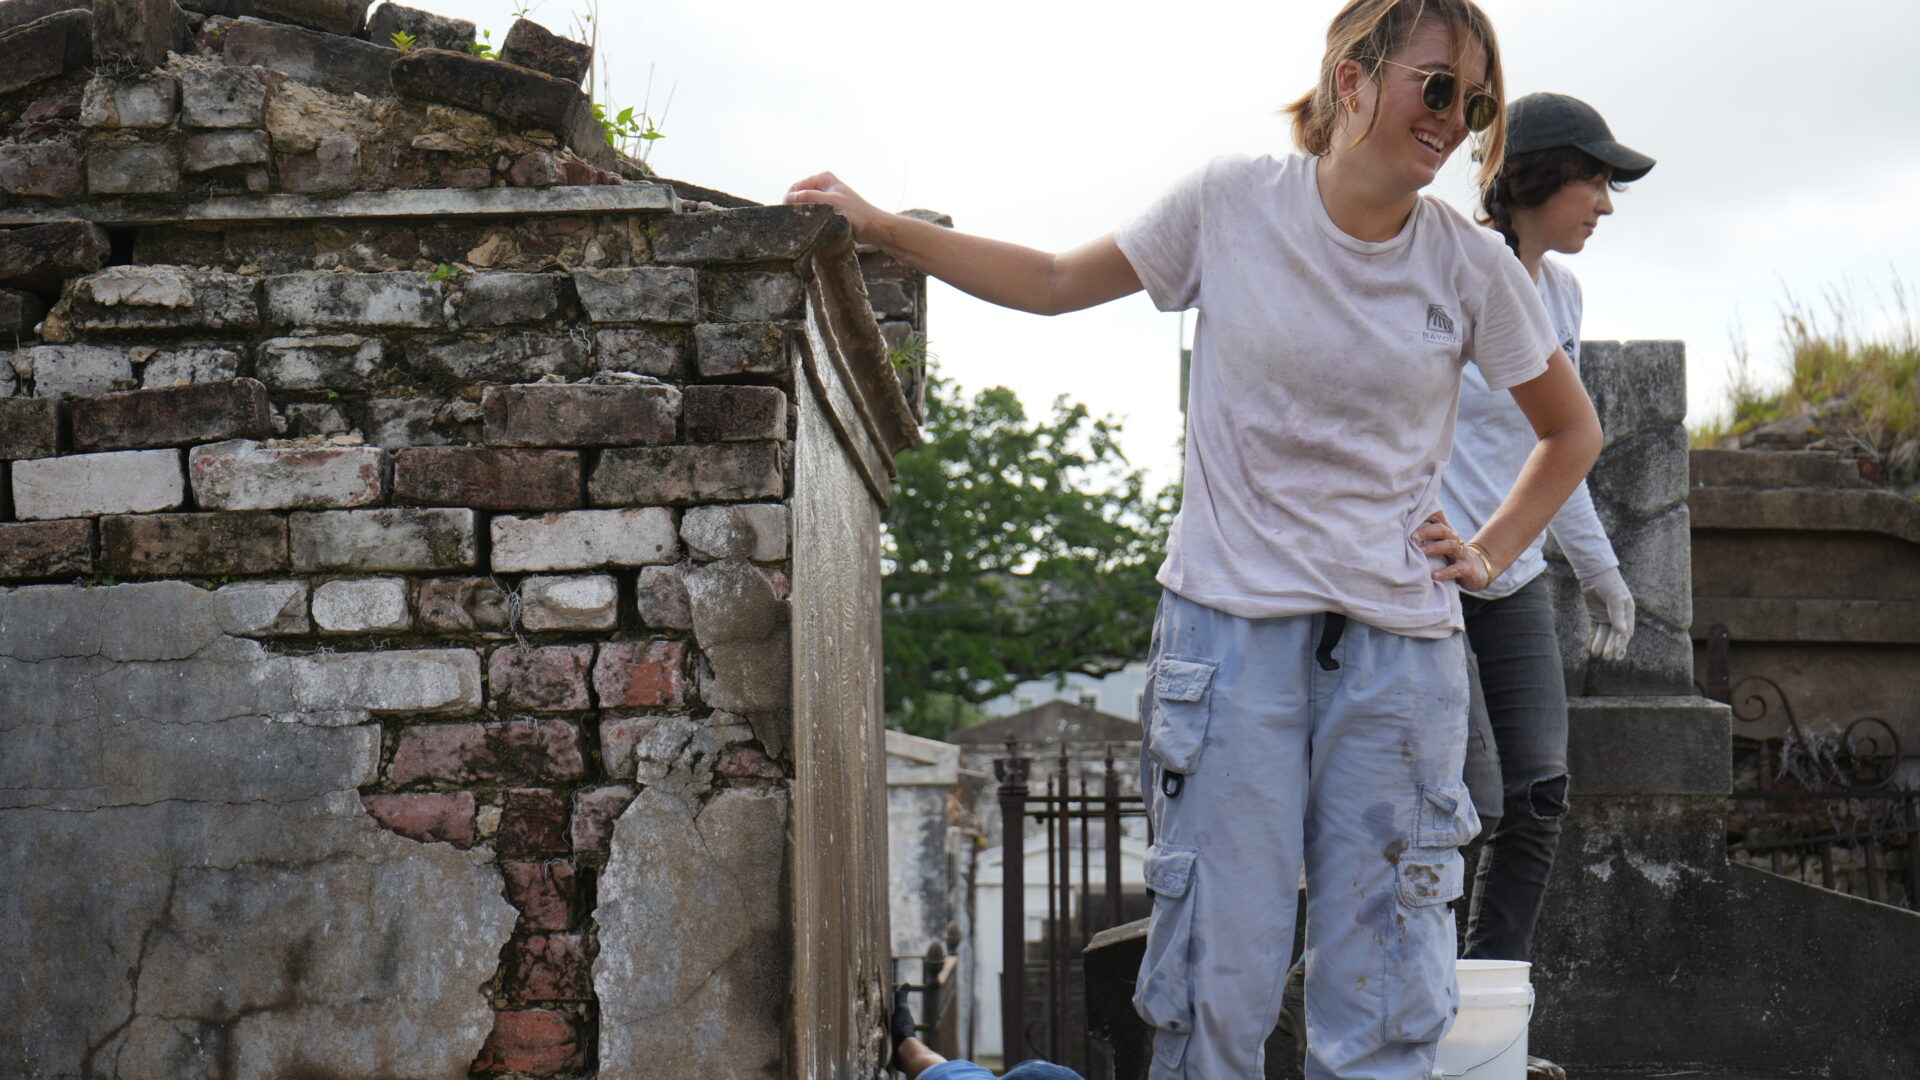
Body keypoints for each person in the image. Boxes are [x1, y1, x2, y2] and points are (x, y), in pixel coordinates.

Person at [789, 1, 1603, 1075]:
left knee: (1390, 986)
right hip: (1230, 636)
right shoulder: (1233, 204)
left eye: (1478, 103)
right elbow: (1052, 282)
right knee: (1220, 977)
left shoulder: (1469, 264)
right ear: (1351, 79)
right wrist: (886, 224)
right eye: (1438, 87)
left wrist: (1492, 552)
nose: (1455, 122)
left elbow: (1570, 430)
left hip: (1399, 657)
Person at [1445, 91, 1655, 1080]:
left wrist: (1601, 569)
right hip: (1435, 572)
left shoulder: (1561, 295)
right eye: (1595, 179)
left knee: (1536, 795)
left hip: (1514, 572)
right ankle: (1419, 1019)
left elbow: (1557, 448)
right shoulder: (1443, 267)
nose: (1605, 205)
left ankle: (1487, 1030)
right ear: (1534, 177)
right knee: (1448, 805)